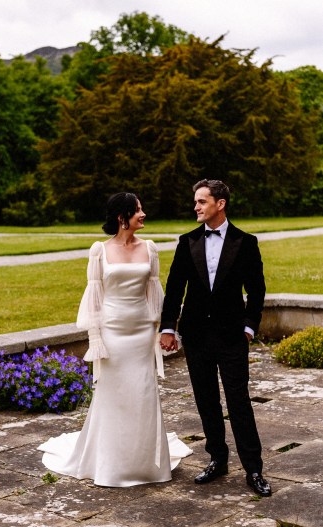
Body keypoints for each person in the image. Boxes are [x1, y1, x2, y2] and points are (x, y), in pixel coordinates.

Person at [38, 192, 192, 487]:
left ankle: (147, 464)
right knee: (114, 396)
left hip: (141, 333)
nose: (143, 214)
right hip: (112, 332)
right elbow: (94, 301)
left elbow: (154, 296)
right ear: (122, 218)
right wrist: (95, 339)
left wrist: (163, 330)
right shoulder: (99, 251)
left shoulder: (150, 248)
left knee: (144, 393)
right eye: (138, 210)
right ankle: (111, 465)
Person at [159, 179, 272, 497]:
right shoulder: (187, 241)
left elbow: (257, 289)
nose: (196, 206)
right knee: (206, 400)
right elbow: (175, 288)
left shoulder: (245, 242)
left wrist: (249, 325)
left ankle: (254, 469)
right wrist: (169, 326)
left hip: (232, 335)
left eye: (201, 201)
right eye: (195, 201)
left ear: (220, 204)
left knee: (239, 403)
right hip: (196, 335)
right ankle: (217, 460)